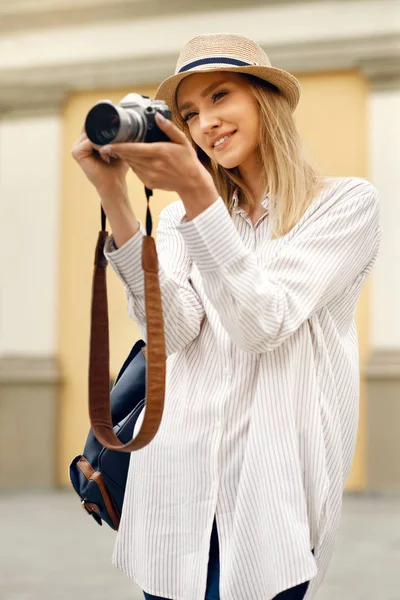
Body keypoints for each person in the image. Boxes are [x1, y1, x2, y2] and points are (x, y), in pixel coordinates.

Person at [72, 33, 380, 600]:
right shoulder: (179, 220)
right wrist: (115, 196)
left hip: (271, 493)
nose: (206, 121)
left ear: (265, 100)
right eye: (190, 113)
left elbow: (263, 321)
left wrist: (194, 191)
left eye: (220, 97)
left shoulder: (343, 206)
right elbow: (175, 330)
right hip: (174, 484)